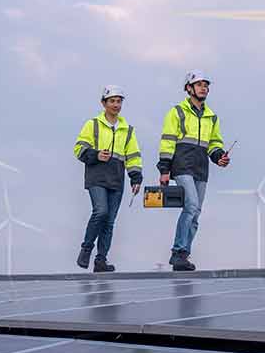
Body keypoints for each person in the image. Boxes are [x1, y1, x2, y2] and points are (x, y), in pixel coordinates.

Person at [157, 70, 229, 271]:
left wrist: (219, 157)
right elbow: (168, 142)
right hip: (182, 167)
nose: (204, 88)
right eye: (199, 85)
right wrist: (164, 169)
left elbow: (214, 143)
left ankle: (184, 255)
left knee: (196, 212)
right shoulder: (177, 112)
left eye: (206, 85)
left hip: (201, 168)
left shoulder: (211, 117)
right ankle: (177, 251)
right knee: (190, 206)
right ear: (188, 88)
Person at [72, 86, 141, 272]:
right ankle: (86, 249)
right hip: (96, 177)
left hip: (117, 179)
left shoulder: (128, 130)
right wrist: (95, 155)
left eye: (119, 101)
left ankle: (101, 261)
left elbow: (133, 156)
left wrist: (136, 177)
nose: (116, 104)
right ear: (103, 103)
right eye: (112, 101)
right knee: (101, 212)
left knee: (109, 221)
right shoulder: (92, 124)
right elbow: (78, 149)